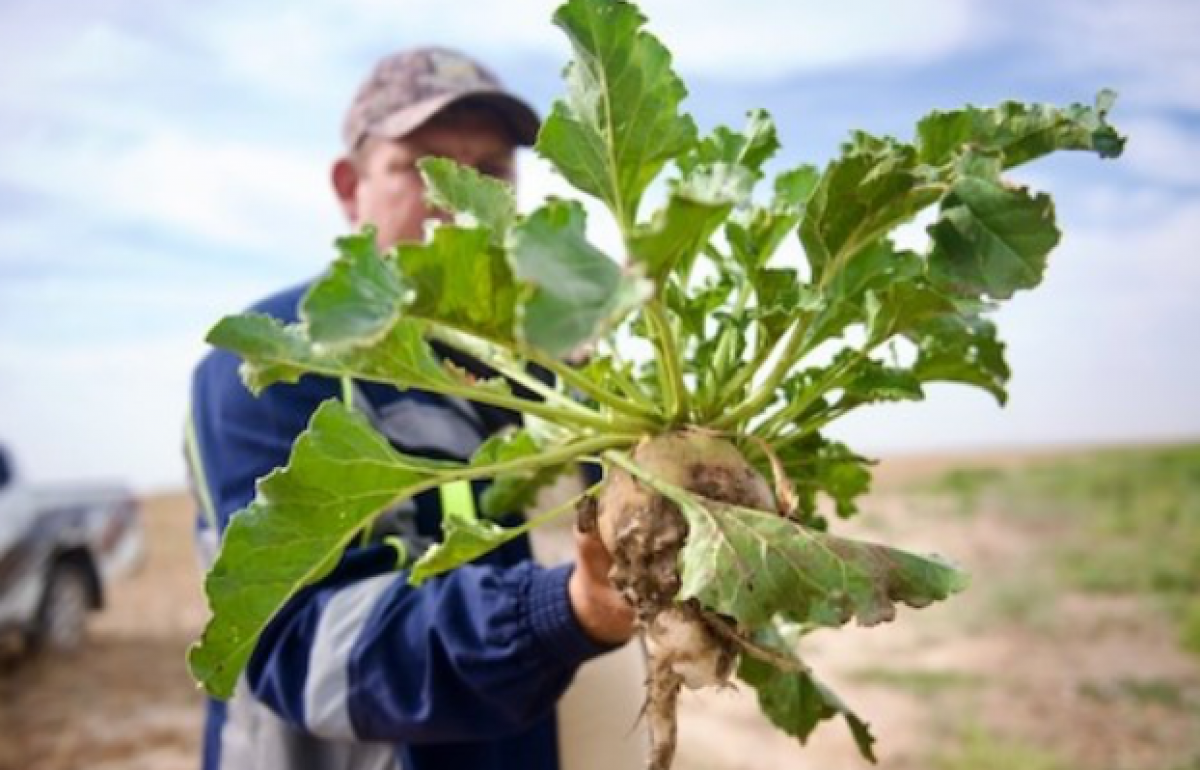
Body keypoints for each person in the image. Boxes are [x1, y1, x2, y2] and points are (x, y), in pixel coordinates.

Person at [186, 47, 638, 770]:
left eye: (489, 170)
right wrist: (569, 610)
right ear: (350, 185)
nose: (458, 197)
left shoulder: (544, 364)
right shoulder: (279, 364)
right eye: (422, 167)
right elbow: (300, 648)